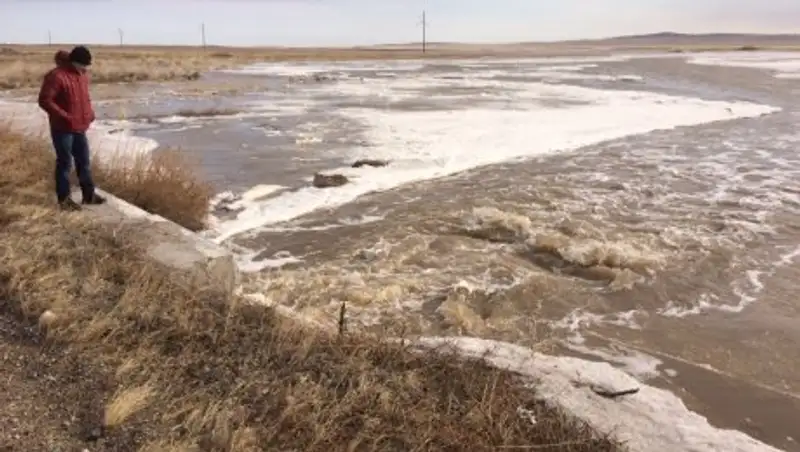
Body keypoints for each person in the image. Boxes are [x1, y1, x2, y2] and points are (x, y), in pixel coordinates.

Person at [37, 45, 105, 210]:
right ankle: (64, 200)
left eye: (87, 65)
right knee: (65, 163)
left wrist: (90, 112)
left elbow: (84, 97)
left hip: (80, 127)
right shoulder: (56, 76)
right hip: (62, 128)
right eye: (83, 65)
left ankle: (89, 195)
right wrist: (64, 116)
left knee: (84, 162)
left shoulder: (82, 75)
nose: (85, 68)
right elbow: (45, 100)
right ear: (74, 61)